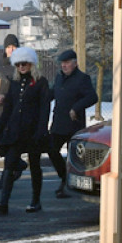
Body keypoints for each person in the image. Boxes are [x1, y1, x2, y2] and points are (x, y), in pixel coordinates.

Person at [0, 46, 50, 214]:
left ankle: (35, 201)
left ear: (31, 63)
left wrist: (42, 130)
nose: (21, 67)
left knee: (35, 166)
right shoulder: (15, 82)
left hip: (33, 130)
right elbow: (8, 107)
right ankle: (3, 202)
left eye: (24, 63)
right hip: (16, 130)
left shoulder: (41, 82)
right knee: (9, 164)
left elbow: (44, 108)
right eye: (18, 64)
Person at [47, 48, 99, 198]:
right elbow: (52, 94)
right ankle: (64, 177)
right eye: (62, 63)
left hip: (74, 125)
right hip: (58, 123)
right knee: (51, 150)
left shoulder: (82, 78)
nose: (64, 65)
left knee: (73, 158)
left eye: (67, 62)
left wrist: (76, 108)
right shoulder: (59, 78)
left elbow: (92, 97)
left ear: (75, 63)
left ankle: (66, 186)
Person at [0, 33, 26, 190]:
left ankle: (5, 179)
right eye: (8, 47)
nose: (11, 50)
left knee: (9, 142)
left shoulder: (21, 66)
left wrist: (6, 97)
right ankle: (18, 163)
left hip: (13, 110)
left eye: (14, 47)